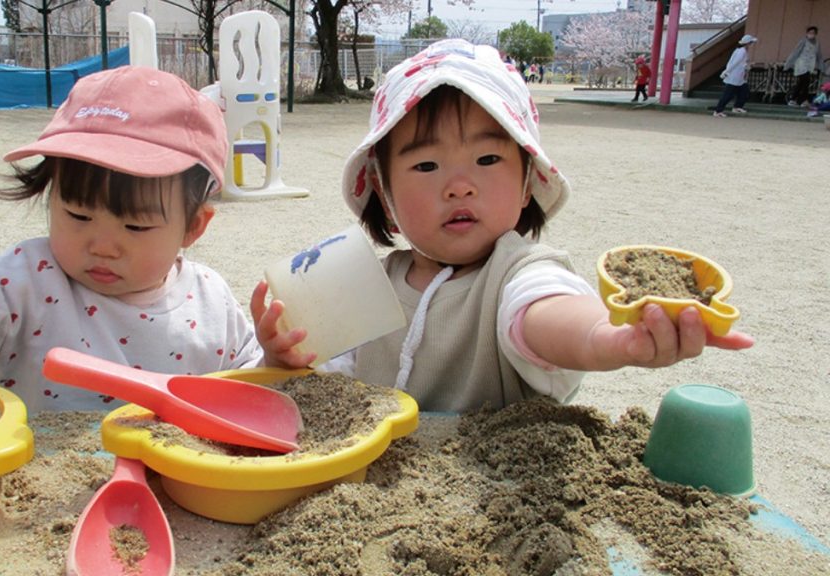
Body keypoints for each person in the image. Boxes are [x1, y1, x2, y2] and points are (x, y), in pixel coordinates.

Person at [253, 39, 754, 413]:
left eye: (488, 159)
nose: (459, 186)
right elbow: (320, 386)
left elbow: (546, 314)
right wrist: (284, 359)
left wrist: (606, 335)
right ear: (383, 194)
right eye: (426, 166)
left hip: (499, 494)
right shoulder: (366, 285)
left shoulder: (520, 272)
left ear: (527, 182)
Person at [0, 66, 274, 462]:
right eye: (78, 215)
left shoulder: (210, 300)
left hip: (177, 489)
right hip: (38, 479)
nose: (102, 246)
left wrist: (273, 357)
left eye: (135, 226)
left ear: (193, 227)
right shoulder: (26, 282)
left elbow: (245, 389)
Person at [714, 35, 758, 117]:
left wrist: (747, 65)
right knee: (728, 95)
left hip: (739, 77)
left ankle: (737, 107)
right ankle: (718, 111)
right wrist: (726, 72)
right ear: (748, 43)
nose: (752, 44)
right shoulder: (742, 51)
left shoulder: (741, 50)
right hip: (734, 76)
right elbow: (734, 63)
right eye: (751, 43)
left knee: (744, 92)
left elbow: (740, 63)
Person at [785, 26, 822, 107]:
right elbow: (796, 52)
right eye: (810, 33)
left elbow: (819, 55)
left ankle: (793, 99)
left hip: (810, 66)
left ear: (816, 34)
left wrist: (821, 66)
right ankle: (802, 100)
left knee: (802, 83)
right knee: (805, 81)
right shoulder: (803, 41)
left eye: (813, 33)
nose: (811, 34)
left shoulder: (817, 43)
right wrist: (789, 63)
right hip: (801, 65)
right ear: (807, 33)